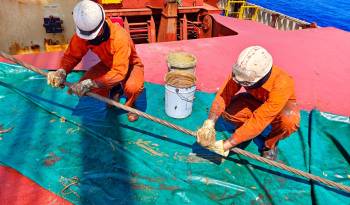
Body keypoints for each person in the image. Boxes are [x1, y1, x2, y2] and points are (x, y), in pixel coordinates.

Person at [47, 0, 144, 122]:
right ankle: (116, 89)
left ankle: (132, 104)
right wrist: (62, 71)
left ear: (103, 23)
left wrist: (92, 83)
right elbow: (72, 55)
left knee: (132, 87)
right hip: (107, 65)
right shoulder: (83, 34)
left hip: (130, 66)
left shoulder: (120, 37)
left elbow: (119, 72)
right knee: (83, 86)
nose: (91, 38)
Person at [197, 46, 300, 160]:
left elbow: (260, 119)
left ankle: (269, 145)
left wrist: (228, 144)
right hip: (254, 100)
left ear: (262, 77)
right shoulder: (242, 70)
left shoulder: (282, 83)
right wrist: (210, 123)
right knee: (230, 114)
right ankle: (244, 134)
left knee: (289, 121)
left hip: (279, 108)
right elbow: (224, 95)